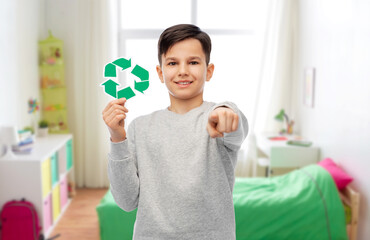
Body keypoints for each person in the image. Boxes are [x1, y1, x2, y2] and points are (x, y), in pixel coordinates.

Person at [102, 24, 248, 240]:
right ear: (160, 73)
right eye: (172, 63)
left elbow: (235, 125)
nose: (182, 70)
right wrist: (117, 138)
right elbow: (126, 201)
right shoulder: (139, 128)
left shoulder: (218, 119)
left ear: (209, 71)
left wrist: (226, 112)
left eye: (193, 62)